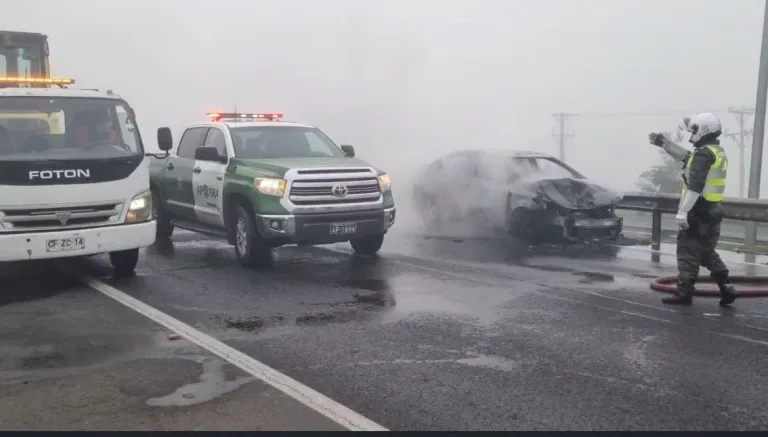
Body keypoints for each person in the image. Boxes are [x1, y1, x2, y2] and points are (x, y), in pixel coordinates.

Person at [648, 113, 738, 306]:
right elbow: (686, 158)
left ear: (703, 130)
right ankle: (726, 286)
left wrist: (683, 211)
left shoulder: (703, 154)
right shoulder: (715, 151)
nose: (691, 134)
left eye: (694, 130)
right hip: (713, 209)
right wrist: (664, 143)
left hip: (698, 211)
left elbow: (695, 185)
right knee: (706, 251)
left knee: (687, 252)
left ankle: (684, 293)